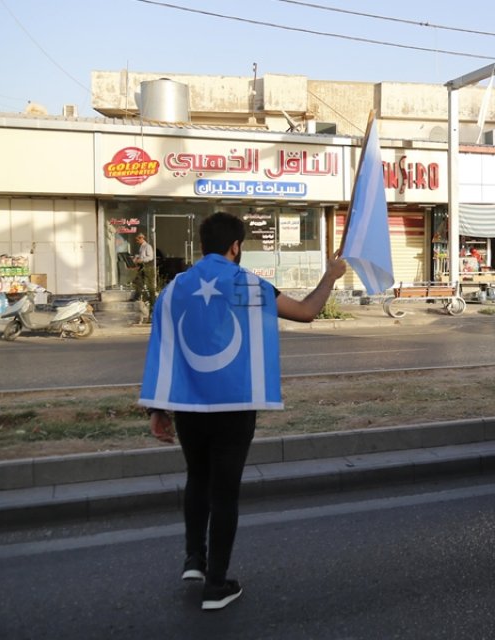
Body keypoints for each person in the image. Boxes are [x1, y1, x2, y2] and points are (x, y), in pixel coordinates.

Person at [140, 212, 346, 611]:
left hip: (188, 406)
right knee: (225, 492)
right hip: (235, 404)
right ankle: (216, 585)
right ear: (236, 246)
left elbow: (163, 348)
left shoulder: (176, 288)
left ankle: (194, 560)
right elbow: (306, 311)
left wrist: (157, 407)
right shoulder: (249, 286)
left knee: (197, 478)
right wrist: (331, 275)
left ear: (203, 245)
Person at [132, 233, 157, 301]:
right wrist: (136, 258)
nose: (137, 242)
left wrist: (141, 260)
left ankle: (153, 299)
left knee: (149, 283)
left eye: (137, 240)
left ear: (141, 238)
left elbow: (150, 257)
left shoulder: (147, 246)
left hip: (148, 267)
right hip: (142, 266)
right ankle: (137, 297)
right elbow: (142, 255)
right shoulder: (142, 246)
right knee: (138, 281)